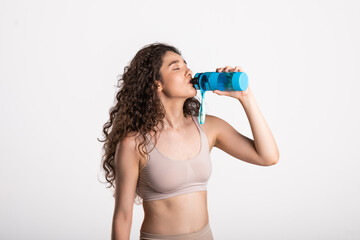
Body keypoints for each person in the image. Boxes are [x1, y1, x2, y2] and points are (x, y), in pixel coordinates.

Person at [98, 42, 280, 240]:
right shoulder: (133, 143)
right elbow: (123, 217)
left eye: (186, 65)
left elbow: (268, 157)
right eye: (177, 67)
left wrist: (246, 97)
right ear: (156, 83)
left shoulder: (208, 127)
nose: (189, 71)